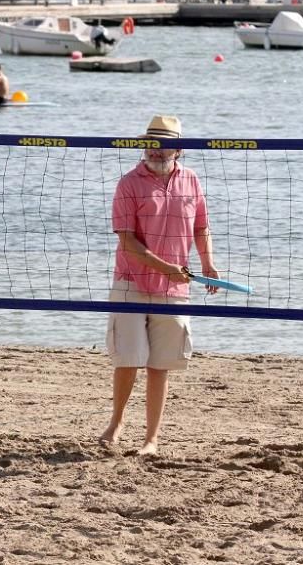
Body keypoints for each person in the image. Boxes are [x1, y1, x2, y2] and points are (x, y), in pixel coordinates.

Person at [99, 115, 219, 457]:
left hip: (175, 286)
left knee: (160, 363)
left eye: (163, 144)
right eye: (150, 142)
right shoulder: (129, 183)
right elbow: (127, 242)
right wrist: (167, 268)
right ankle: (117, 421)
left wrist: (207, 263)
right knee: (128, 358)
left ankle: (151, 439)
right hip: (132, 280)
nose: (155, 149)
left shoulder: (192, 180)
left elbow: (201, 228)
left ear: (178, 149)